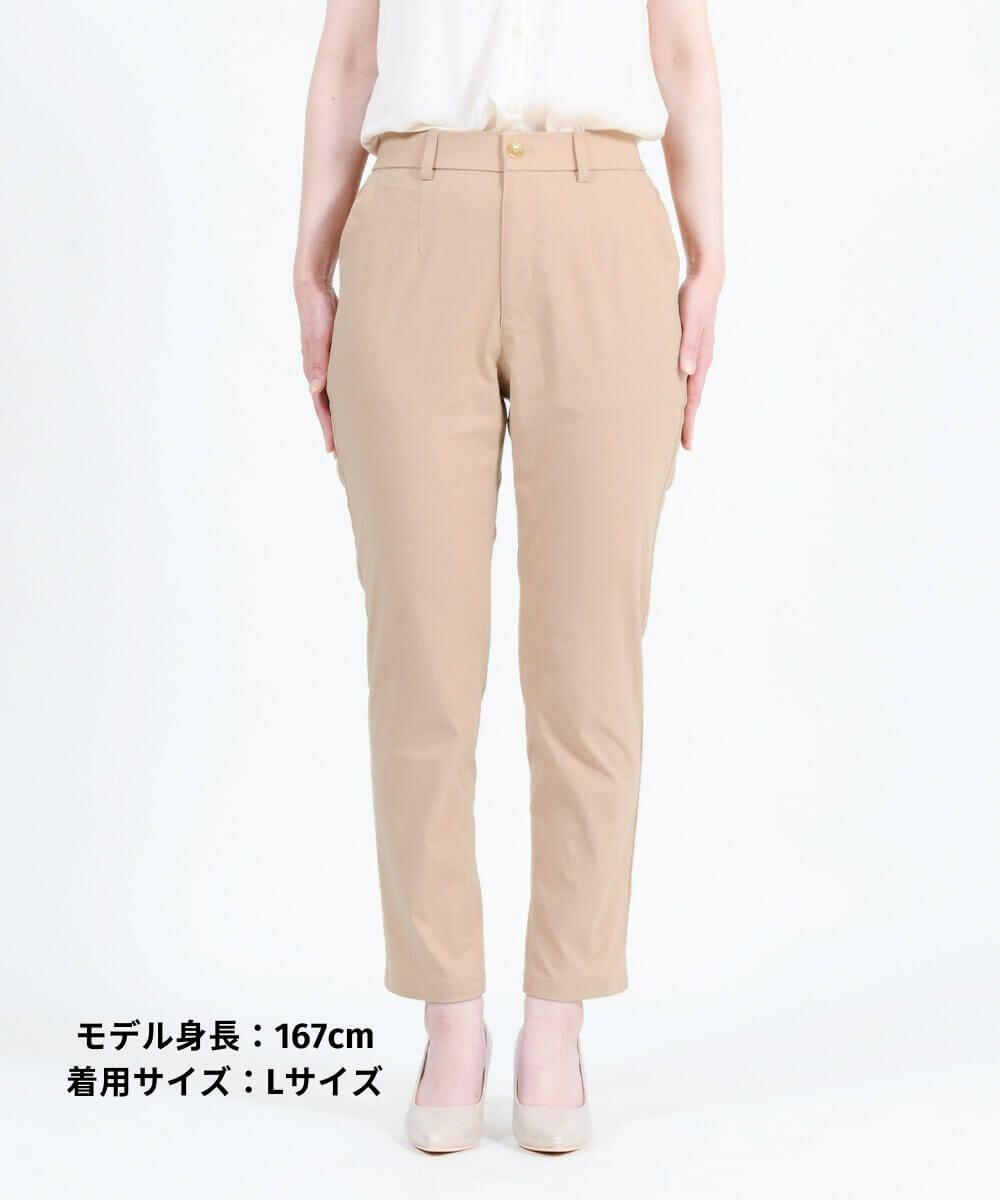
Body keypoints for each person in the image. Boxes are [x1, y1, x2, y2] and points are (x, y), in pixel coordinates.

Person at [293, 0, 724, 1154]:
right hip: (412, 222)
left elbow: (681, 47)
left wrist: (709, 257)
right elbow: (349, 53)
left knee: (588, 668)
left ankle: (558, 1018)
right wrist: (309, 264)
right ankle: (448, 1016)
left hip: (602, 223)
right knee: (419, 666)